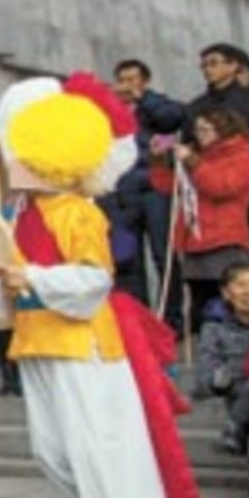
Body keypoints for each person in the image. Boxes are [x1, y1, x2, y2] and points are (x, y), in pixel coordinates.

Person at [0, 73, 194, 498]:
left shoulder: (77, 210)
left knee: (98, 451)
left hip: (84, 346)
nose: (6, 162)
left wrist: (30, 280)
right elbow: (16, 273)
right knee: (54, 454)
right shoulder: (22, 214)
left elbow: (94, 279)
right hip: (35, 342)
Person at [111, 59, 186, 316]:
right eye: (122, 80)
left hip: (155, 187)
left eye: (133, 79)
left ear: (144, 81)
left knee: (162, 254)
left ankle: (171, 316)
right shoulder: (111, 110)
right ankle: (138, 315)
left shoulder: (159, 104)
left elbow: (173, 121)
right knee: (126, 257)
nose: (127, 85)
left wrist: (143, 99)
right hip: (120, 193)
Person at [166, 108, 249, 327]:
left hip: (225, 238)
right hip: (195, 238)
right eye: (197, 130)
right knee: (200, 305)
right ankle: (209, 351)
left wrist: (193, 161)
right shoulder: (198, 155)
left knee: (232, 301)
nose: (199, 135)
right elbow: (169, 188)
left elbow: (221, 186)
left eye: (206, 130)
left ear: (223, 129)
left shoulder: (243, 154)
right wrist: (159, 161)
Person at [195, 262, 249, 454]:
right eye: (241, 285)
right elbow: (204, 380)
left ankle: (234, 428)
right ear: (226, 293)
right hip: (239, 396)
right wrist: (220, 379)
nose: (248, 292)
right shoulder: (215, 329)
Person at [184, 44, 249, 141]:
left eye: (213, 63)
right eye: (204, 65)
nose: (207, 69)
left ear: (233, 66)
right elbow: (184, 139)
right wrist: (161, 143)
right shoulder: (196, 105)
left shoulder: (246, 100)